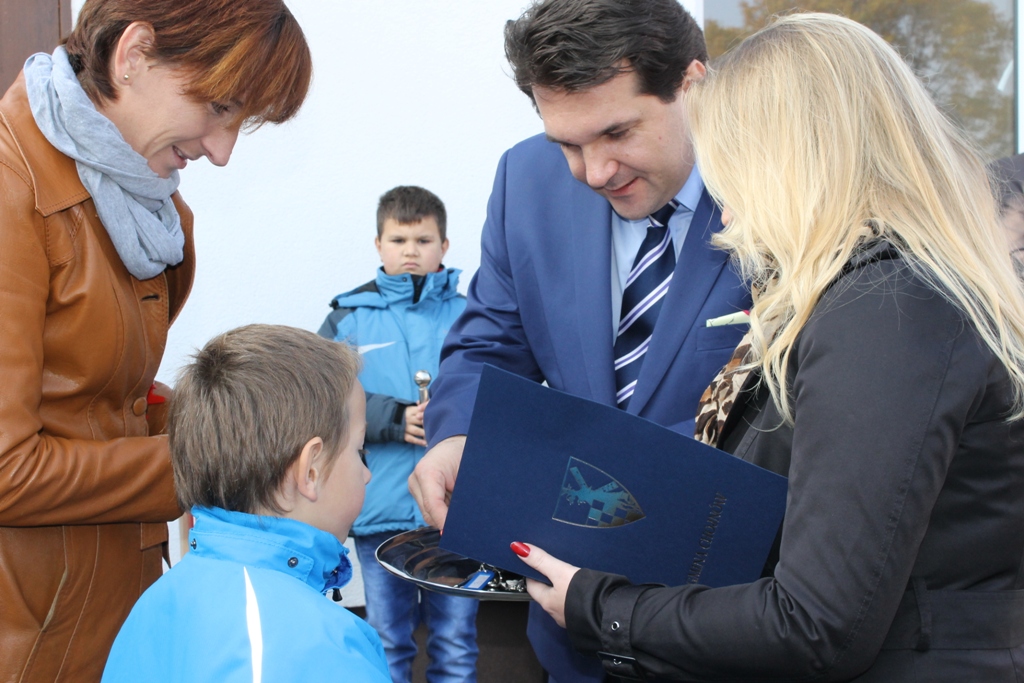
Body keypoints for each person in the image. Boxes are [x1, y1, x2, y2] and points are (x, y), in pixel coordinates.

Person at [515, 12, 1024, 682]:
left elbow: (815, 623)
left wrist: (600, 606)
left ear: (800, 161)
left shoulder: (888, 309)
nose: (724, 212)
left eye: (735, 173)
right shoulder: (880, 294)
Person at [407, 1, 751, 680]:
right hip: (571, 636)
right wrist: (457, 434)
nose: (594, 171)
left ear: (692, 84)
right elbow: (486, 344)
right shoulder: (525, 181)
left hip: (732, 621)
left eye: (616, 132)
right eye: (567, 142)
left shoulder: (779, 187)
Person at [0, 1, 311, 680]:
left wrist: (235, 417)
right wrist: (211, 462)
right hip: (34, 634)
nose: (223, 151)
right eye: (220, 107)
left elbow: (96, 397)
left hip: (114, 602)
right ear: (134, 53)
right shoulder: (11, 189)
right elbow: (6, 467)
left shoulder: (137, 196)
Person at [101, 325, 390, 682]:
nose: (366, 474)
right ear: (310, 471)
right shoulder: (313, 646)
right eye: (359, 451)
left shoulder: (161, 601)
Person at [318, 186, 477, 683]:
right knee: (387, 640)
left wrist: (454, 419)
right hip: (380, 508)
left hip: (457, 509)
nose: (411, 251)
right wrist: (394, 417)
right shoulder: (347, 318)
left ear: (444, 246)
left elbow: (503, 392)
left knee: (455, 642)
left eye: (423, 239)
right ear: (378, 244)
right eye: (399, 239)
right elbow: (321, 399)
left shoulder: (474, 317)